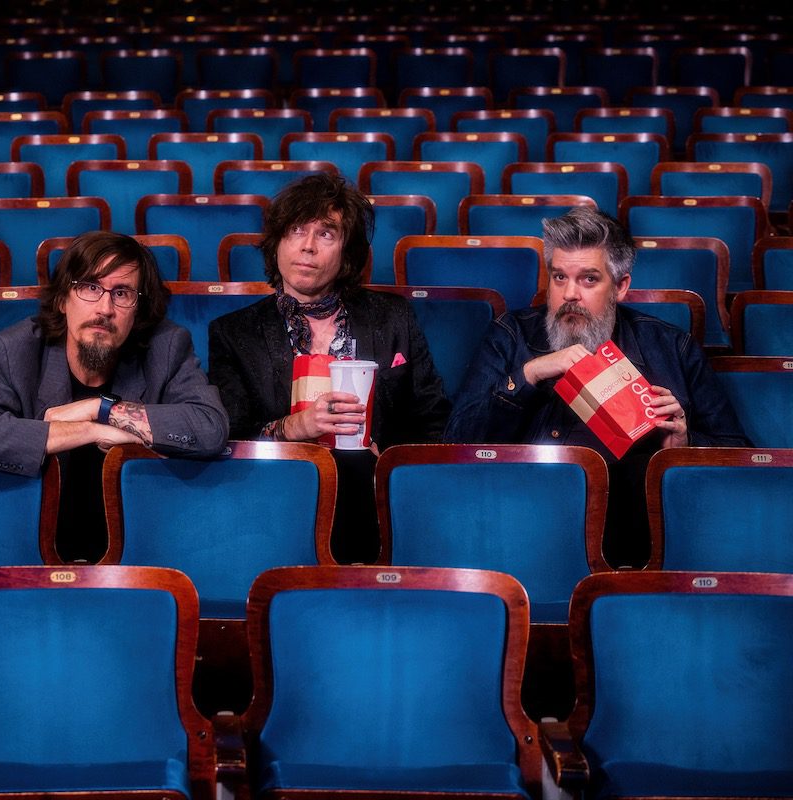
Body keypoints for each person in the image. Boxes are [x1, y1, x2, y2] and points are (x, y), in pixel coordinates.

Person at [445, 206, 749, 567]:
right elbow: (453, 445)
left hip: (632, 542)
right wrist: (527, 376)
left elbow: (739, 459)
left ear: (621, 286)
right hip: (518, 526)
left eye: (588, 279)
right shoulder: (510, 336)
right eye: (559, 277)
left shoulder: (671, 347)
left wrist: (684, 447)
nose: (570, 294)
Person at [208, 173, 451, 563]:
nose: (306, 246)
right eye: (296, 230)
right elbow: (227, 438)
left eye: (326, 234)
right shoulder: (234, 332)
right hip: (276, 500)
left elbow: (433, 420)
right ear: (277, 243)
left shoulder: (392, 318)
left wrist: (388, 459)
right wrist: (292, 428)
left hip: (374, 499)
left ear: (347, 253)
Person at [0, 230, 229, 562]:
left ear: (138, 310)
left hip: (141, 554)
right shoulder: (15, 350)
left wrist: (101, 408)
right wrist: (89, 430)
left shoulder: (166, 347)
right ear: (62, 299)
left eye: (122, 293)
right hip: (35, 552)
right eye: (89, 287)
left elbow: (210, 427)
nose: (105, 308)